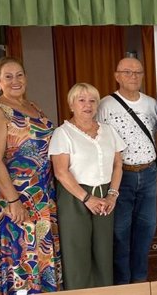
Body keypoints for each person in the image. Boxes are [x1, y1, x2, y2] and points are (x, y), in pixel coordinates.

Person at [0, 57, 62, 293]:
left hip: (42, 195)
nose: (15, 80)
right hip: (16, 197)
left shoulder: (34, 106)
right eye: (8, 76)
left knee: (42, 254)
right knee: (21, 257)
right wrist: (13, 201)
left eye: (19, 75)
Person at [49, 83, 126, 289]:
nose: (87, 105)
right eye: (81, 100)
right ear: (71, 104)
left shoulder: (108, 131)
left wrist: (112, 195)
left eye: (92, 100)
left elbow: (118, 164)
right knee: (77, 253)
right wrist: (87, 198)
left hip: (105, 196)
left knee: (103, 252)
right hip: (75, 197)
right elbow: (61, 172)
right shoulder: (62, 133)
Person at [98, 57, 157, 284]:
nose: (133, 76)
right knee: (120, 231)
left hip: (148, 174)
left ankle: (140, 278)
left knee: (146, 229)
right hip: (120, 177)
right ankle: (122, 282)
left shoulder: (151, 103)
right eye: (127, 72)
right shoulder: (105, 105)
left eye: (138, 72)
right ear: (117, 76)